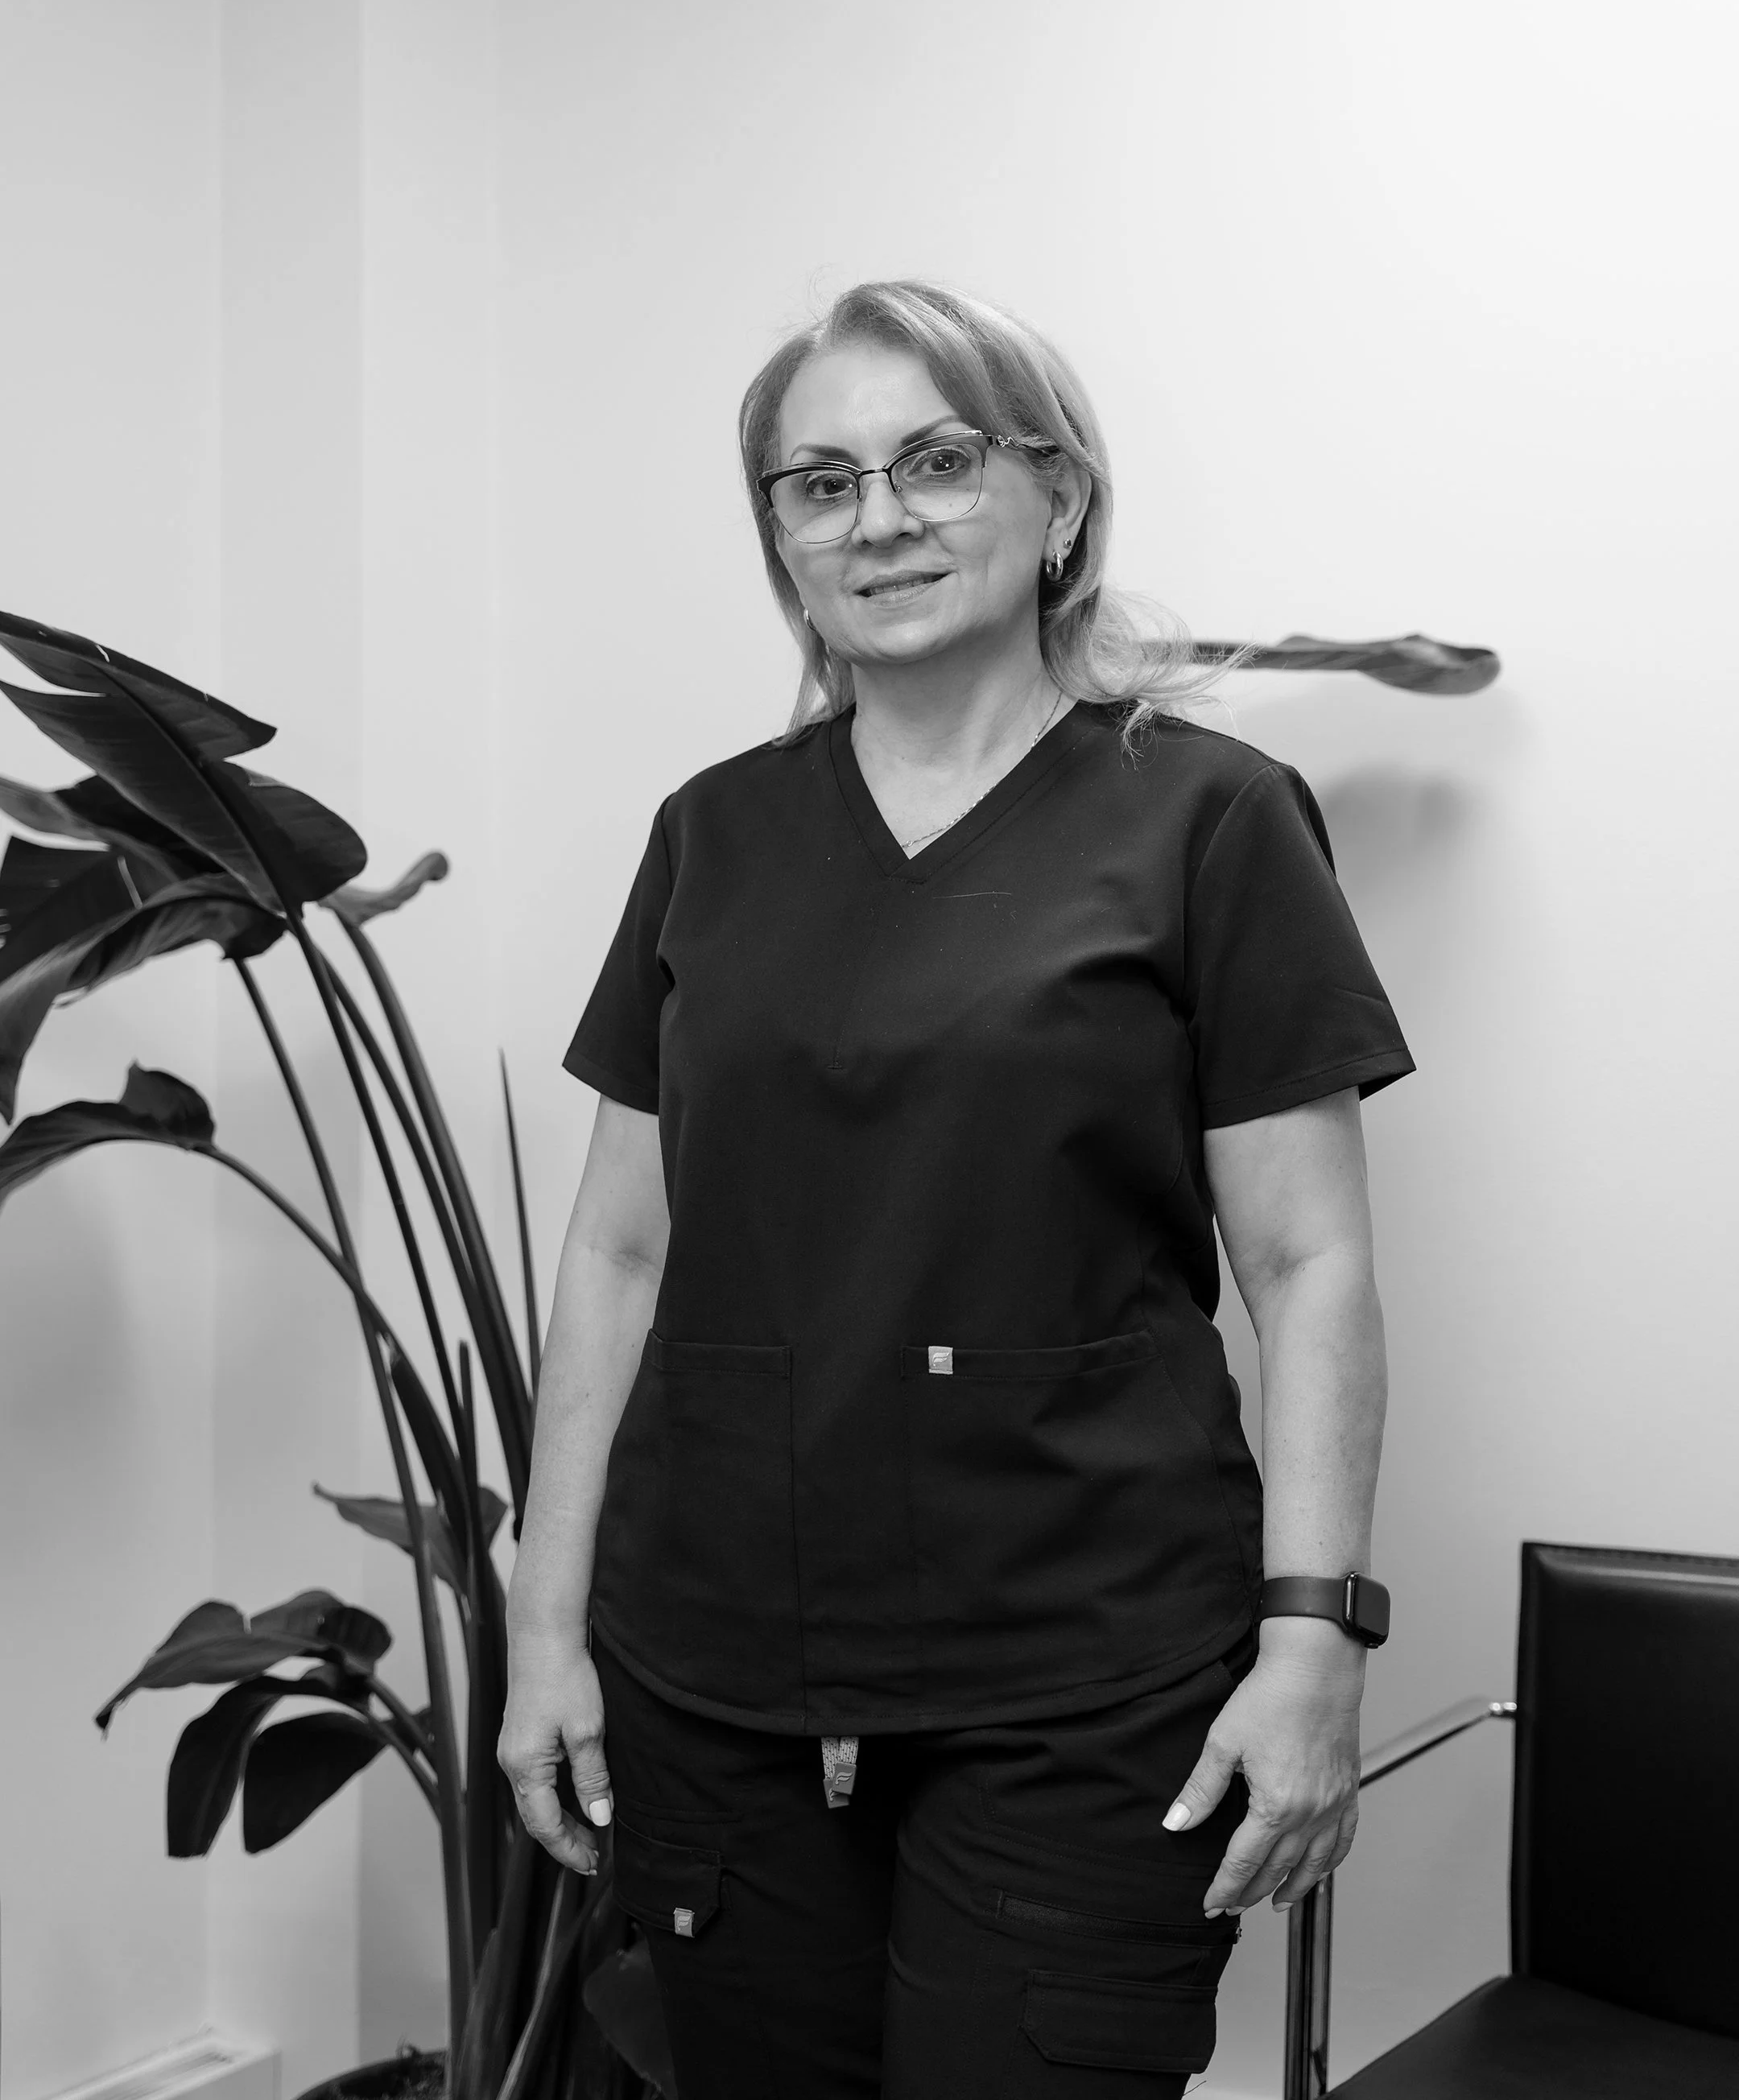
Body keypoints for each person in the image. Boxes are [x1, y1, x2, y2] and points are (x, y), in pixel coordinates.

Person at [498, 279, 1413, 2098]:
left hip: (1086, 1675)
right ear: (778, 541)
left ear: (1058, 499)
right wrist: (546, 1631)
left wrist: (1316, 1632)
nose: (880, 516)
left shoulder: (1207, 819)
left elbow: (1308, 1263)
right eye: (818, 483)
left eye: (935, 459)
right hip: (717, 1668)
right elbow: (614, 1250)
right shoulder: (714, 834)